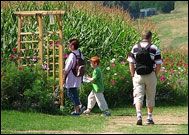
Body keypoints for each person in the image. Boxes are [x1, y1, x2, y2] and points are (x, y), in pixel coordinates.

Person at [127, 30, 163, 125]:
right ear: (150, 37)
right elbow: (158, 64)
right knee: (150, 96)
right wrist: (155, 74)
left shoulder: (135, 47)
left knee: (138, 96)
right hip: (150, 74)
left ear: (142, 37)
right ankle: (149, 117)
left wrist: (132, 75)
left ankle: (139, 115)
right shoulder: (154, 48)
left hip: (138, 75)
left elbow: (131, 63)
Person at [64, 38, 86, 116]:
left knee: (70, 93)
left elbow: (67, 68)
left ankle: (80, 106)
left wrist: (64, 74)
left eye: (69, 45)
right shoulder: (80, 53)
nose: (68, 46)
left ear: (72, 46)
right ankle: (76, 111)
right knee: (74, 93)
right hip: (78, 75)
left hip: (71, 76)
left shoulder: (72, 55)